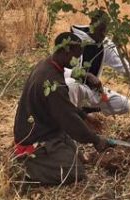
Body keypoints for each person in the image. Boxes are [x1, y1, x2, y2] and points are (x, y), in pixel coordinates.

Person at [13, 32, 113, 185]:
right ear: (66, 51)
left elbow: (62, 105)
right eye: (76, 56)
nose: (77, 60)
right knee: (75, 172)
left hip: (43, 130)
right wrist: (96, 140)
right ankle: (26, 170)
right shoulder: (52, 81)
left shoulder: (46, 65)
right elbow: (68, 119)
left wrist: (84, 117)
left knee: (76, 155)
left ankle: (45, 158)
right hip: (34, 140)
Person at [65, 9, 130, 115]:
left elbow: (123, 67)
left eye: (106, 31)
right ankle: (70, 115)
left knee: (125, 104)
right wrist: (85, 75)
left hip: (91, 92)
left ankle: (85, 110)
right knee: (71, 84)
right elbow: (58, 70)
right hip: (69, 91)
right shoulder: (73, 40)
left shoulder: (106, 44)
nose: (103, 34)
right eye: (101, 30)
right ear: (92, 25)